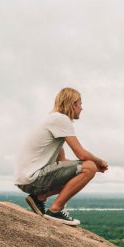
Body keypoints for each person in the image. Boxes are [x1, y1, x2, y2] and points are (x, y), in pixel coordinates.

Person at [13, 88, 108, 226]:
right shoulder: (61, 119)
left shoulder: (53, 120)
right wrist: (98, 163)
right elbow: (80, 153)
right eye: (80, 104)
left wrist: (86, 169)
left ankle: (39, 198)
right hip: (32, 178)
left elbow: (62, 163)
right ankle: (56, 210)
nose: (82, 108)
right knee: (89, 166)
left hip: (27, 179)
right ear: (72, 104)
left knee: (86, 168)